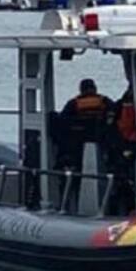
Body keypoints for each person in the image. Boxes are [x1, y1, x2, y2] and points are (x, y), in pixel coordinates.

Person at [52, 78, 112, 212]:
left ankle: (66, 206)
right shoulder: (105, 102)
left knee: (70, 176)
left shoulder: (73, 104)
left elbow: (61, 123)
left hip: (75, 148)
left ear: (81, 89)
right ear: (95, 88)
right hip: (102, 145)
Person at [103, 84, 136, 215]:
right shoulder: (119, 107)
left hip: (128, 148)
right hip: (125, 149)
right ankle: (120, 211)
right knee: (122, 182)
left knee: (124, 181)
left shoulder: (116, 106)